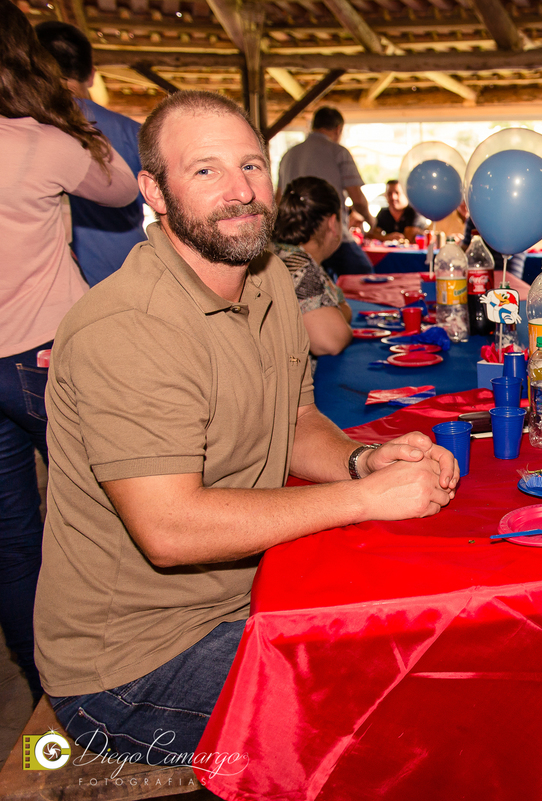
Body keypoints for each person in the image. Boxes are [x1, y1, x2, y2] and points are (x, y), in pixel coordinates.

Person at [35, 90, 458, 761]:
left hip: (244, 602)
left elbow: (293, 421)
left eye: (252, 166)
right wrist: (361, 499)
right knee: (397, 715)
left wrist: (360, 461)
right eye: (206, 170)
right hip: (131, 671)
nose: (240, 191)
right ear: (156, 191)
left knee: (435, 639)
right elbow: (170, 528)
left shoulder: (263, 282)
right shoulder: (131, 326)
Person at [0, 0, 138, 702]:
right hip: (42, 353)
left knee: (14, 541)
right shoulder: (41, 138)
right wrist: (64, 109)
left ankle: (47, 686)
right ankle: (119, 672)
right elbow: (117, 190)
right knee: (115, 509)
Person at [35, 20, 147, 286]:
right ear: (92, 74)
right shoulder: (134, 132)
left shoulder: (31, 130)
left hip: (59, 283)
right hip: (129, 271)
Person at [276, 106, 375, 276]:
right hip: (331, 235)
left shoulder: (289, 154)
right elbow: (357, 199)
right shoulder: (338, 152)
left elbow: (278, 200)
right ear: (338, 129)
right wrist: (371, 221)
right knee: (364, 278)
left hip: (295, 237)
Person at [273, 177, 353, 356]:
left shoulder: (281, 254)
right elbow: (331, 341)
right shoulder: (300, 267)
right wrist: (342, 319)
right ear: (333, 223)